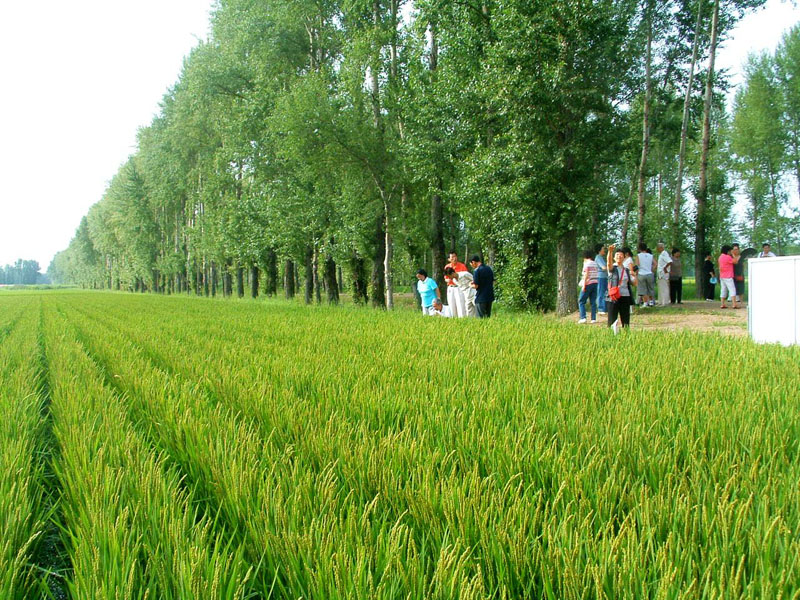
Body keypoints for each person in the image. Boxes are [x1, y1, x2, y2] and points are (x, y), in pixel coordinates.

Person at [606, 244, 636, 333]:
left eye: (621, 255)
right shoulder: (612, 268)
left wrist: (635, 275)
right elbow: (608, 263)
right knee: (612, 319)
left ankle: (626, 335)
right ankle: (611, 335)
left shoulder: (626, 270)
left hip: (625, 296)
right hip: (613, 297)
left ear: (624, 258)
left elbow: (634, 283)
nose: (619, 256)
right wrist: (610, 251)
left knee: (626, 319)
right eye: (617, 255)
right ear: (614, 258)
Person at [444, 251, 469, 317]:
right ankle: (454, 320)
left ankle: (462, 319)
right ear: (449, 259)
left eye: (455, 256)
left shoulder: (462, 266)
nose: (454, 259)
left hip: (459, 287)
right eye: (452, 257)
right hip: (450, 287)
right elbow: (445, 278)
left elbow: (466, 277)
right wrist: (448, 280)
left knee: (461, 305)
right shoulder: (447, 267)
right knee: (452, 305)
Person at [578, 250, 599, 323]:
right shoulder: (595, 264)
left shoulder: (587, 264)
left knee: (581, 301)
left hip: (588, 283)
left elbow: (586, 274)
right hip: (595, 283)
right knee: (593, 301)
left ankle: (583, 317)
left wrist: (584, 285)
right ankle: (593, 318)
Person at [656, 242, 672, 307]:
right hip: (660, 273)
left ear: (661, 248)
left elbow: (670, 261)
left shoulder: (664, 254)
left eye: (658, 248)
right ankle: (660, 301)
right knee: (660, 288)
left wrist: (665, 268)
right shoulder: (661, 254)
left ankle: (665, 302)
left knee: (664, 287)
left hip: (663, 273)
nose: (657, 249)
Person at [594, 244, 608, 315]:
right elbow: (603, 267)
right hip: (600, 277)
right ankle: (600, 308)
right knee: (601, 293)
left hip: (604, 277)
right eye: (603, 249)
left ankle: (605, 308)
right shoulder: (598, 258)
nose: (604, 250)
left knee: (605, 293)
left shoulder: (601, 258)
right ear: (599, 250)